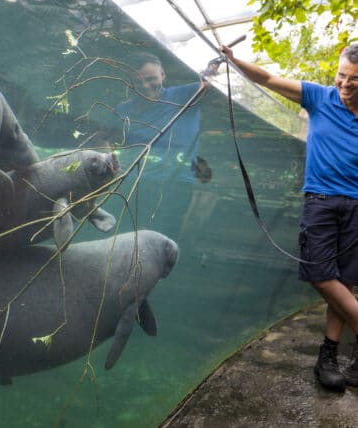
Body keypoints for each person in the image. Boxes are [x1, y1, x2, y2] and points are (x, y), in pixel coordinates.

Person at [221, 43, 358, 392]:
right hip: (321, 201)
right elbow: (267, 77)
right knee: (320, 274)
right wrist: (235, 62)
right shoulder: (318, 97)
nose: (344, 84)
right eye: (341, 75)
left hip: (357, 206)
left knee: (345, 281)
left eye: (353, 80)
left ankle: (328, 357)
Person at [115, 52, 211, 240]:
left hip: (176, 183)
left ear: (163, 75)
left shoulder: (185, 94)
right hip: (134, 183)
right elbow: (111, 141)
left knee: (165, 237)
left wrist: (214, 66)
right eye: (138, 81)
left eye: (151, 79)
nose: (145, 86)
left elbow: (213, 82)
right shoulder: (123, 109)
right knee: (129, 235)